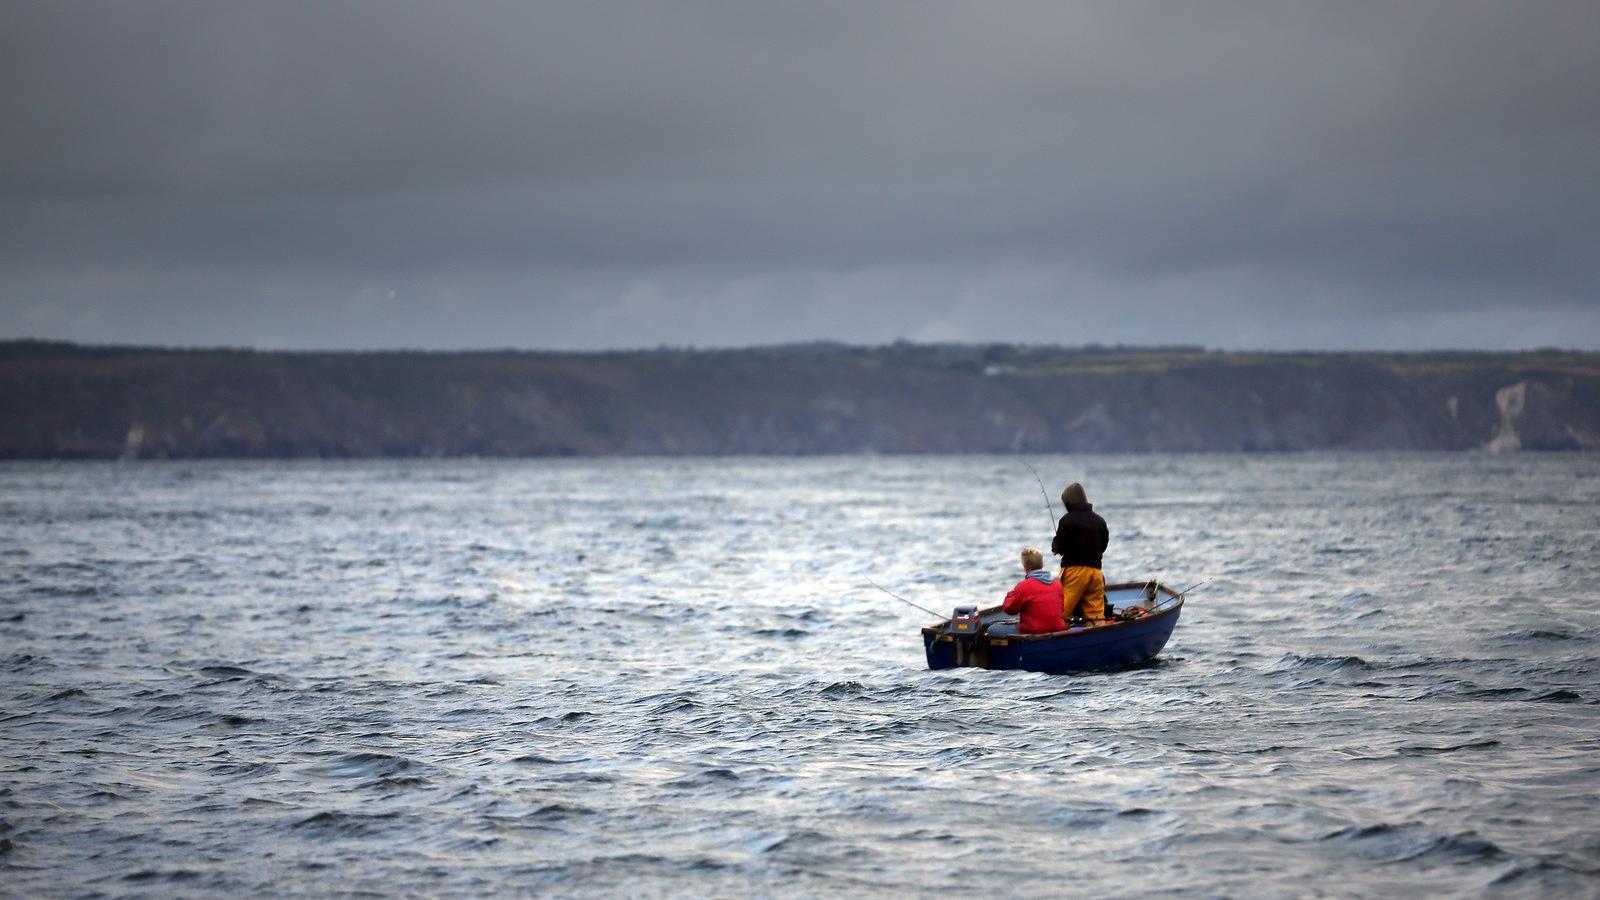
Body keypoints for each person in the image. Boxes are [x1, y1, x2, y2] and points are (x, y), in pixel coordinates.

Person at [1051, 481, 1109, 624]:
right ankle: (1098, 638)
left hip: (1074, 573)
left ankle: (1056, 641)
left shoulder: (1067, 521)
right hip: (1096, 573)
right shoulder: (1100, 521)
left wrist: (1055, 546)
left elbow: (1058, 547)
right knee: (1096, 615)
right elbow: (1104, 545)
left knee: (1062, 612)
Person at [992, 546, 1067, 635]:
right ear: (1042, 564)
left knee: (992, 629)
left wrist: (1010, 594)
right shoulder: (1057, 584)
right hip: (1058, 629)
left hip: (1034, 631)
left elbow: (1009, 609)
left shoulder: (1024, 586)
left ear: (1025, 567)